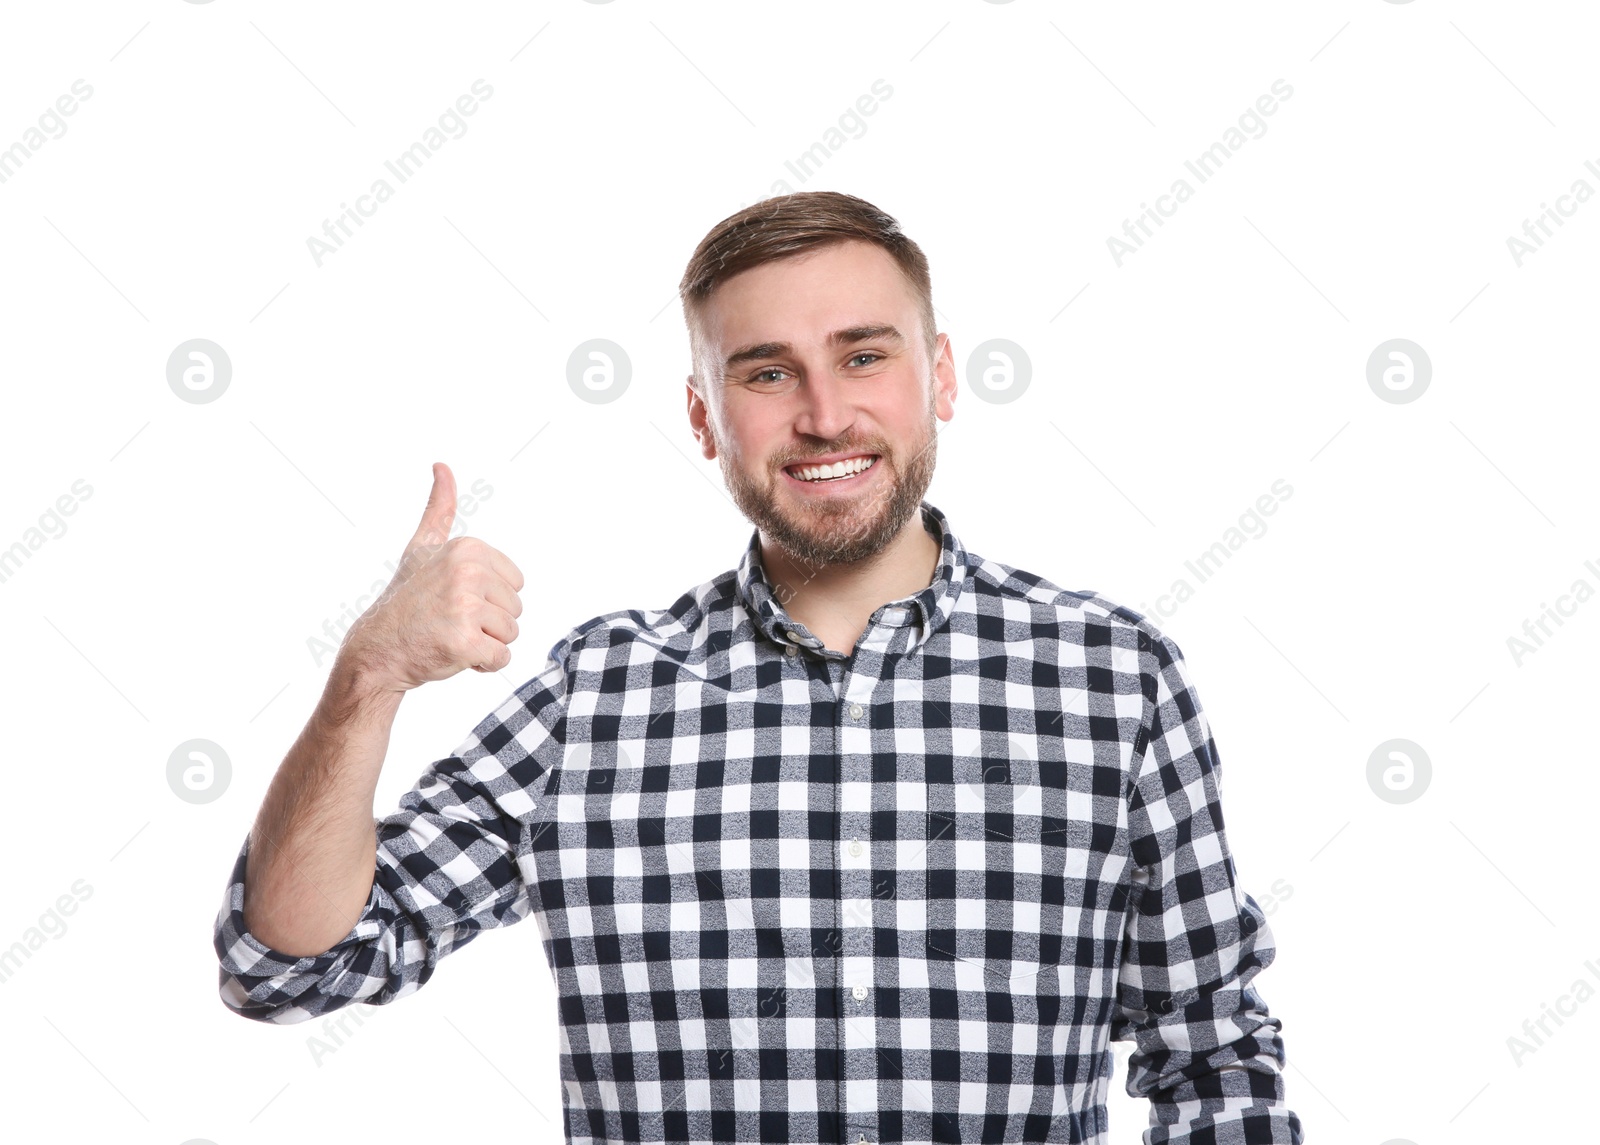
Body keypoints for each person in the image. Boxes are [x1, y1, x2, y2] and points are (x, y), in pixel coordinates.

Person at [214, 190, 1303, 1145]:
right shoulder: (599, 697)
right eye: (766, 372)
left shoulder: (1110, 680)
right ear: (703, 416)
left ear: (940, 377)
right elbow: (291, 962)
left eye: (864, 356)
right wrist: (372, 672)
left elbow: (1210, 1058)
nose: (825, 414)